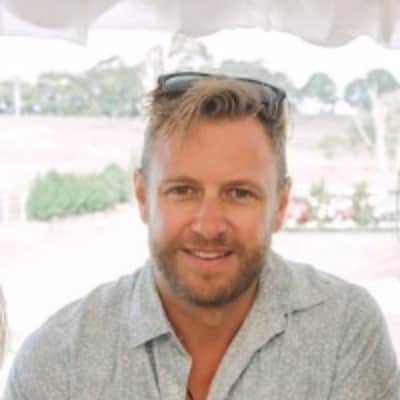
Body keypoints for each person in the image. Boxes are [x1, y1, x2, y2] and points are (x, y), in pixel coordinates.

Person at [4, 72, 400, 400]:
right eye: (183, 190)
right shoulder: (59, 359)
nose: (208, 226)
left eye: (239, 193)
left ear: (280, 205)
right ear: (142, 197)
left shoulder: (343, 330)